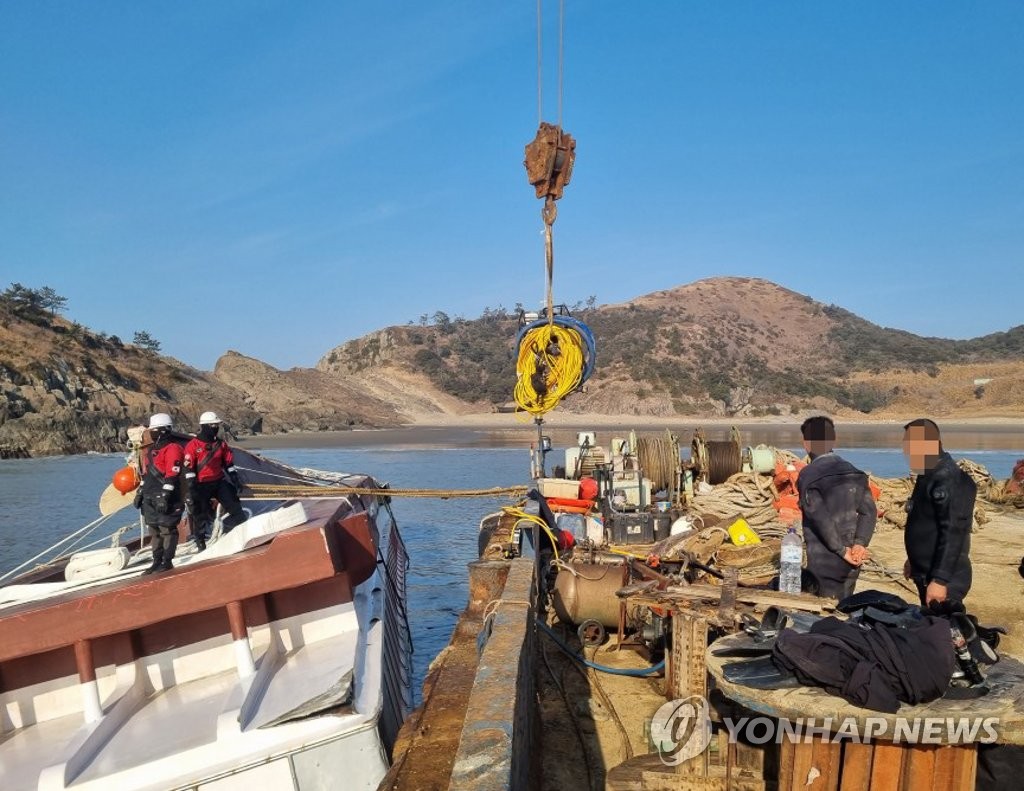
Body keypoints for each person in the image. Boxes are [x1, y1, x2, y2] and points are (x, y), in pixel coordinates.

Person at [796, 415, 876, 599]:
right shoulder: (854, 472)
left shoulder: (809, 475)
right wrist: (860, 544)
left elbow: (819, 516)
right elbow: (869, 511)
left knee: (824, 613)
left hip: (825, 558)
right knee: (845, 607)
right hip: (853, 557)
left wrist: (840, 550)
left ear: (805, 443)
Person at [902, 418, 976, 612]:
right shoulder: (928, 474)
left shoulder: (949, 479)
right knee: (930, 629)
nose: (907, 451)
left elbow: (953, 532)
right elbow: (924, 521)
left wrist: (940, 580)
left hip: (945, 578)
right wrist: (913, 559)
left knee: (943, 634)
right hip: (925, 571)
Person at [183, 411, 247, 549]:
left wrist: (235, 480)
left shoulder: (221, 444)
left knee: (234, 505)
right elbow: (189, 469)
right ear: (205, 426)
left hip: (218, 482)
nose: (215, 428)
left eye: (217, 425)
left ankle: (244, 533)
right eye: (213, 425)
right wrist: (192, 487)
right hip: (201, 484)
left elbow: (228, 464)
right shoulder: (192, 446)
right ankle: (200, 542)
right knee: (200, 513)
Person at [134, 412, 185, 574]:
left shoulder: (173, 449)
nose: (151, 433)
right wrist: (140, 492)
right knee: (154, 531)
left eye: (154, 430)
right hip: (150, 496)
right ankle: (156, 561)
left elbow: (172, 473)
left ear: (162, 430)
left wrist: (165, 496)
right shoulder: (151, 450)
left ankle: (167, 561)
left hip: (166, 496)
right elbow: (146, 474)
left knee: (167, 529)